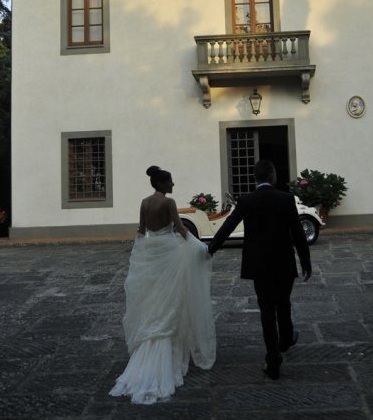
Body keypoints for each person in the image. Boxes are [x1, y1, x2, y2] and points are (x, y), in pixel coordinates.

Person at [109, 165, 216, 405]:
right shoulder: (169, 203)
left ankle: (151, 350)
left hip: (151, 253)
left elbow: (141, 231)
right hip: (169, 253)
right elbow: (180, 229)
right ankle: (169, 359)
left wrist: (139, 257)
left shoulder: (145, 203)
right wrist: (202, 248)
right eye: (171, 182)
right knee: (171, 303)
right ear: (163, 184)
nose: (173, 185)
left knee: (154, 302)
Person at [207, 159, 311, 380]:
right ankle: (285, 340)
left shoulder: (246, 200)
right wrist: (306, 261)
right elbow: (298, 233)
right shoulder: (286, 199)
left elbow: (228, 226)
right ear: (272, 175)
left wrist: (211, 248)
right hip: (284, 262)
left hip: (259, 264)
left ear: (256, 177)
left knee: (266, 310)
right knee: (283, 302)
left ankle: (273, 358)